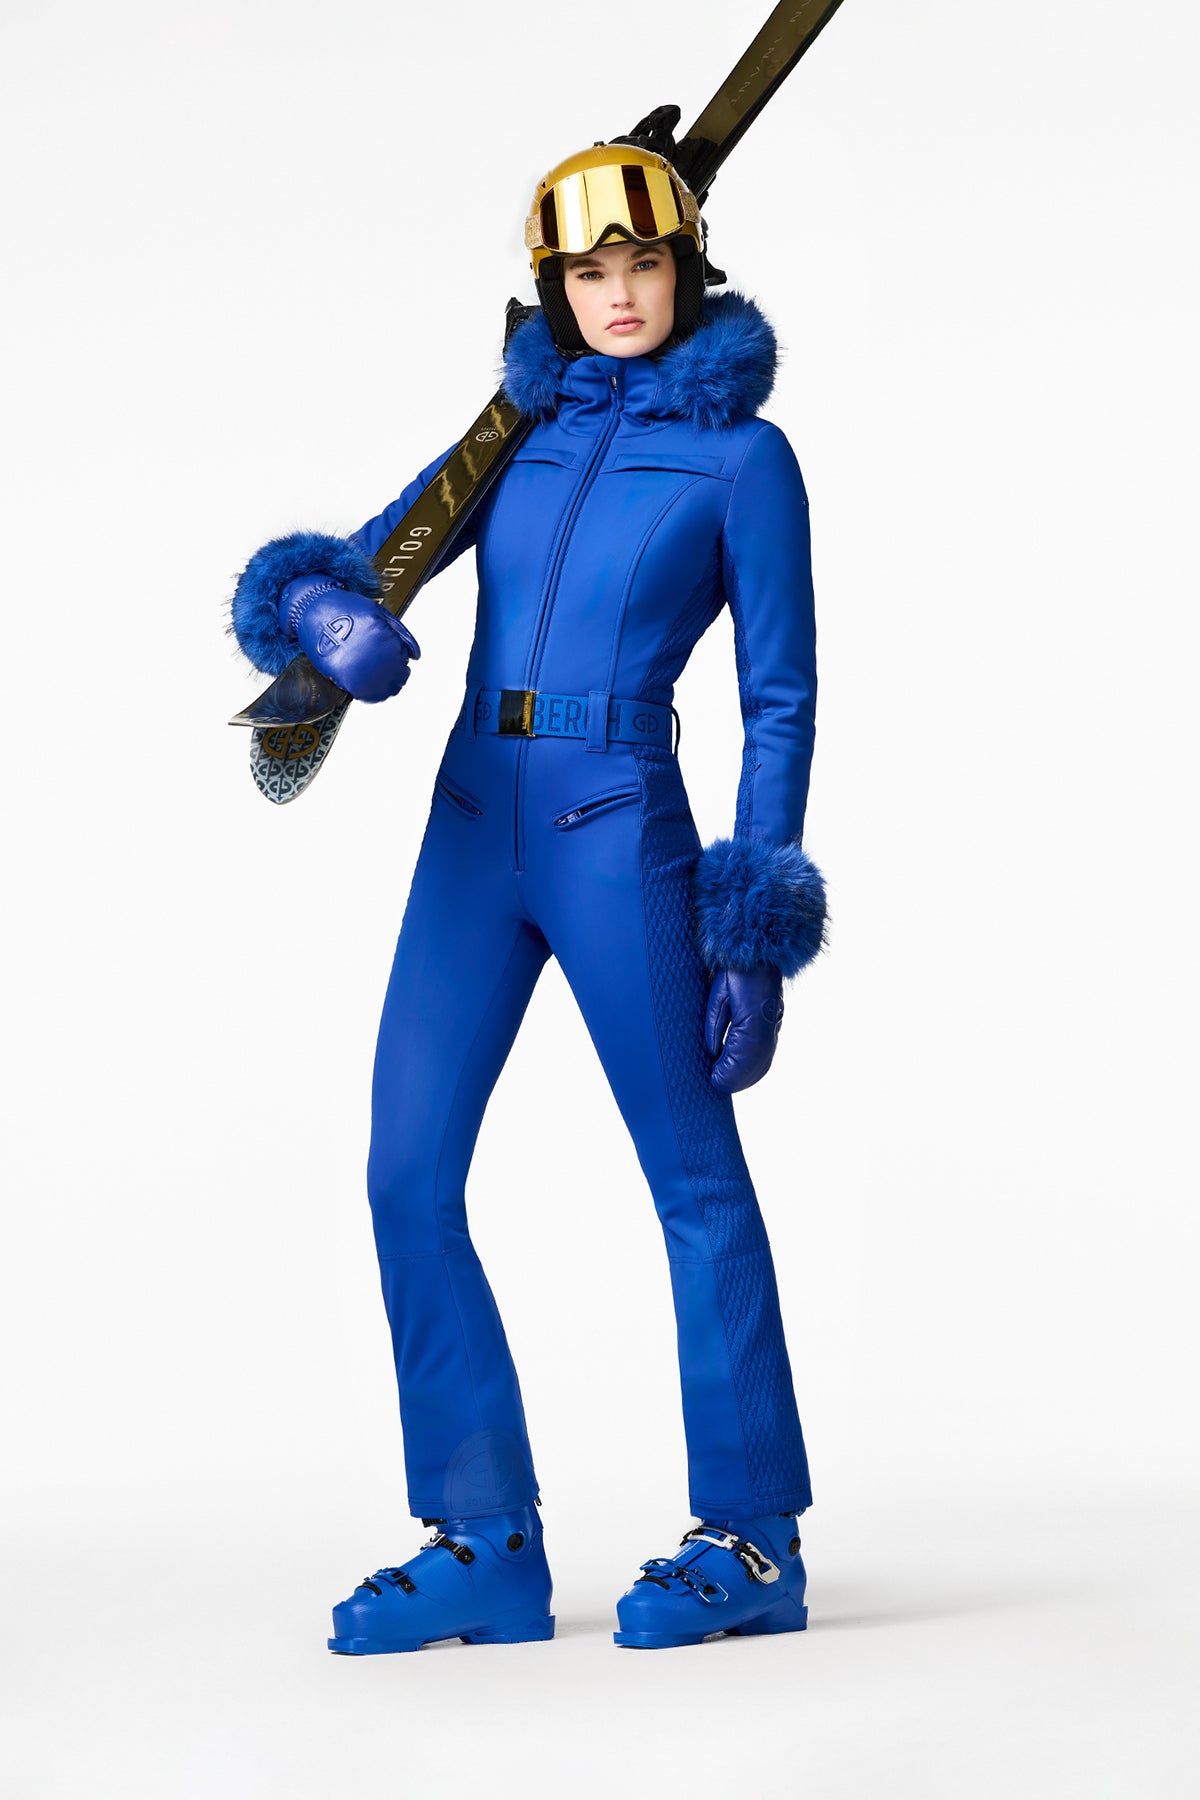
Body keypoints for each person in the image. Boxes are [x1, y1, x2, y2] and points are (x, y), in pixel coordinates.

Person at [230, 142, 827, 1652]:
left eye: (644, 265)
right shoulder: (518, 429)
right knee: (404, 1171)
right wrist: (317, 607)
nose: (618, 296)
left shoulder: (744, 459)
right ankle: (483, 1535)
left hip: (620, 825)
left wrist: (751, 919)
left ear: (688, 271)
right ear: (554, 289)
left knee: (693, 1182)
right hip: (468, 822)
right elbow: (356, 559)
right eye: (588, 272)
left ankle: (753, 1538)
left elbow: (777, 700)